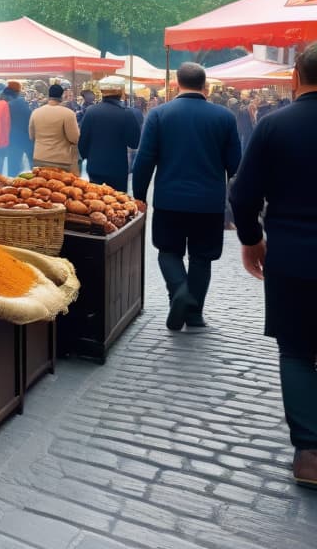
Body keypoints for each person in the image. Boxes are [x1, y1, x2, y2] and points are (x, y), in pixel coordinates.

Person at [229, 43, 317, 488]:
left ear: (296, 77)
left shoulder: (274, 125)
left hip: (293, 256)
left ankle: (309, 451)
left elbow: (243, 195)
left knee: (297, 351)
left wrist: (251, 239)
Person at [132, 62, 241, 332]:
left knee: (168, 251)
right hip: (209, 202)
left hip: (170, 199)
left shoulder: (159, 115)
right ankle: (194, 315)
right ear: (205, 86)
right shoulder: (224, 118)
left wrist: (139, 196)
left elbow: (145, 160)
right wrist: (234, 202)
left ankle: (179, 291)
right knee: (202, 257)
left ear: (176, 84)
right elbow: (236, 165)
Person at [78, 76, 140, 190]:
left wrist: (90, 157)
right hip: (118, 169)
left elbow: (82, 142)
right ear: (121, 92)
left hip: (95, 167)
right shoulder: (127, 114)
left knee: (97, 203)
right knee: (118, 204)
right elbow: (134, 143)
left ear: (102, 92)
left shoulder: (91, 112)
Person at [28, 83, 79, 174]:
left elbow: (32, 136)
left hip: (39, 157)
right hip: (60, 160)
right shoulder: (68, 114)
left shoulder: (36, 112)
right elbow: (74, 138)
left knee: (40, 186)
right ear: (62, 96)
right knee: (60, 187)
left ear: (49, 95)